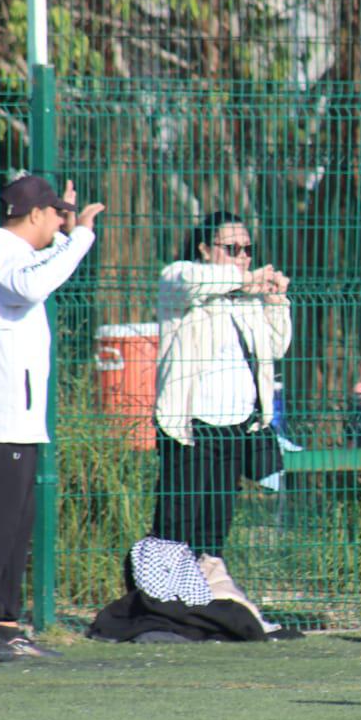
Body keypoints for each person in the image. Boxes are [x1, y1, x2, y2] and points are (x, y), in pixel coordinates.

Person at [0, 174, 105, 662]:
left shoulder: (13, 253)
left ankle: (7, 625)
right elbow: (35, 282)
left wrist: (67, 236)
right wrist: (79, 237)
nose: (61, 221)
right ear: (34, 214)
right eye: (54, 214)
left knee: (15, 525)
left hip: (13, 417)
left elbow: (41, 267)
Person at [150, 212, 291, 558]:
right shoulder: (178, 277)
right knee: (175, 524)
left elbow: (276, 347)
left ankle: (203, 596)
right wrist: (243, 280)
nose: (242, 257)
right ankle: (159, 600)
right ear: (204, 248)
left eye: (247, 249)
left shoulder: (246, 299)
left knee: (215, 525)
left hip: (235, 425)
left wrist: (275, 302)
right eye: (231, 248)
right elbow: (194, 282)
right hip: (191, 426)